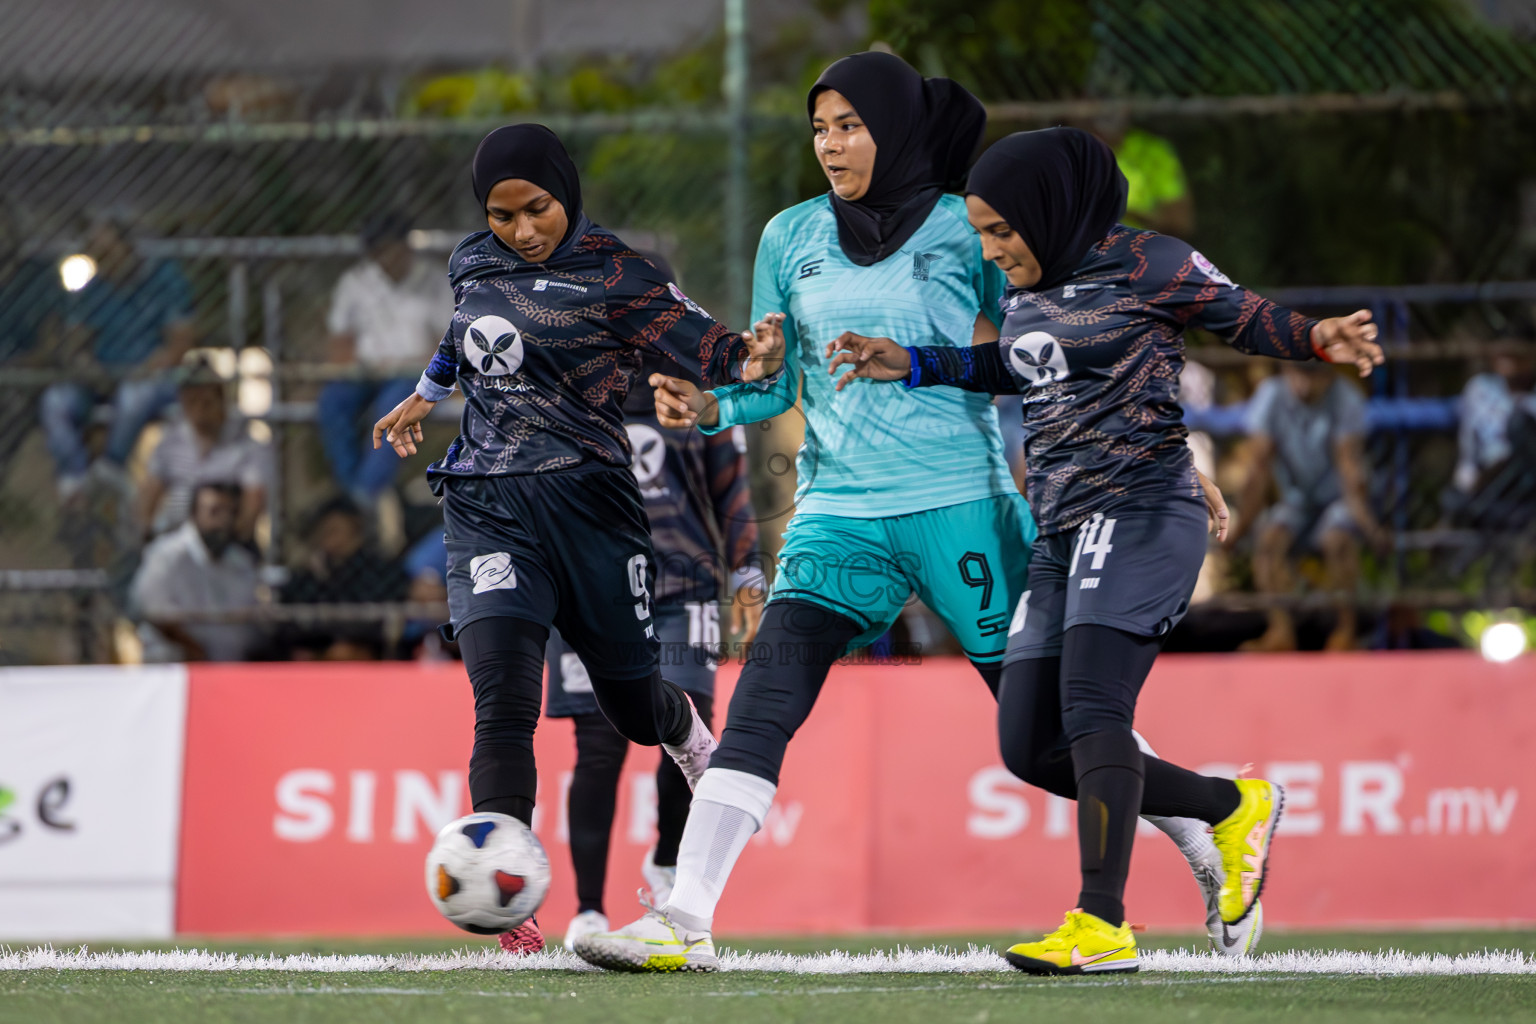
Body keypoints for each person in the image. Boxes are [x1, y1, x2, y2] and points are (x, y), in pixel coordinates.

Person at [576, 55, 1249, 975]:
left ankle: (1210, 813)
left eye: (850, 124)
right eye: (819, 128)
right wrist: (713, 406)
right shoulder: (789, 236)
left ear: (893, 127)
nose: (831, 144)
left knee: (1051, 734)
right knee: (762, 702)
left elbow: (1078, 336)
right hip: (835, 519)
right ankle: (683, 915)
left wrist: (1158, 453)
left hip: (965, 511)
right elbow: (775, 388)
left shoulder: (967, 227)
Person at [820, 127, 1383, 974]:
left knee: (1093, 711)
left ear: (1053, 210)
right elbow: (1023, 365)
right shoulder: (1030, 284)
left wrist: (1315, 338)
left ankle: (1100, 920)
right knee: (1028, 747)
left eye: (1003, 230)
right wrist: (913, 362)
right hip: (1061, 527)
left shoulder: (1153, 263)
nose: (992, 248)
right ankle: (1231, 807)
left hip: (1145, 511)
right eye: (982, 231)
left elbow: (1246, 318)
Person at [370, 123, 783, 955]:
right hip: (487, 508)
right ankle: (508, 899)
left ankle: (684, 732)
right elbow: (464, 338)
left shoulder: (617, 274)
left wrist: (752, 356)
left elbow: (702, 343)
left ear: (567, 193)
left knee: (631, 711)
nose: (522, 230)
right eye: (501, 213)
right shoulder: (470, 262)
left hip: (593, 510)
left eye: (538, 209)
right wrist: (424, 393)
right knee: (503, 703)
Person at [553, 336, 762, 952]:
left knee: (690, 732)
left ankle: (669, 860)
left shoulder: (701, 395)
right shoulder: (568, 390)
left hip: (684, 587)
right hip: (592, 590)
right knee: (596, 749)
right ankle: (587, 910)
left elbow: (732, 491)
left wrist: (747, 572)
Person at [1229, 362, 1382, 652]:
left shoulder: (1346, 397)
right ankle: (1280, 631)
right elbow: (1257, 468)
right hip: (1295, 501)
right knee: (1267, 544)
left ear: (1328, 375)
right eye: (1297, 373)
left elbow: (1349, 469)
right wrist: (1240, 528)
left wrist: (1369, 526)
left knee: (1337, 541)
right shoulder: (1271, 395)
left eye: (1313, 374)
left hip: (1338, 499)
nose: (1305, 384)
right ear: (1286, 371)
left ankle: (1345, 632)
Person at [39, 216, 195, 498]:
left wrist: (146, 368)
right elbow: (76, 341)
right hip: (103, 378)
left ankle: (110, 469)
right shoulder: (90, 283)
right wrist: (84, 365)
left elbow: (180, 344)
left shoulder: (163, 275)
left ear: (127, 247)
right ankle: (75, 478)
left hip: (150, 377)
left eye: (108, 253)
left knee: (134, 395)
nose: (103, 262)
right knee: (55, 401)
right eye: (96, 255)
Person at [318, 212, 453, 512]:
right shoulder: (355, 282)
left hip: (413, 374)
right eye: (378, 250)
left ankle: (362, 501)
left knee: (395, 408)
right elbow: (339, 343)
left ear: (405, 246)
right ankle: (357, 495)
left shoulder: (433, 280)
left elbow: (447, 342)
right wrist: (353, 366)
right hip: (365, 372)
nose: (385, 257)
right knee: (333, 402)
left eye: (391, 247)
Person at [140, 355, 270, 544]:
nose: (200, 410)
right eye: (192, 401)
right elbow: (150, 493)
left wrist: (232, 538)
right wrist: (147, 534)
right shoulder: (171, 440)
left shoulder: (246, 443)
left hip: (224, 539)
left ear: (221, 399)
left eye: (206, 401)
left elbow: (254, 499)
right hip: (177, 537)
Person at [130, 482, 261, 662]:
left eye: (229, 513)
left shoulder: (241, 563)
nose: (222, 521)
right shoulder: (166, 555)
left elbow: (251, 618)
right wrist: (196, 652)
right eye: (214, 512)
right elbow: (155, 612)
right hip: (176, 672)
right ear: (194, 513)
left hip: (232, 672)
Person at [279, 497, 410, 660]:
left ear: (355, 525)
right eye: (324, 528)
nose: (328, 534)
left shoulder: (381, 569)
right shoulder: (311, 571)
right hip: (316, 653)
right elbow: (290, 613)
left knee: (343, 652)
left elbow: (378, 617)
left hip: (368, 656)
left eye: (335, 527)